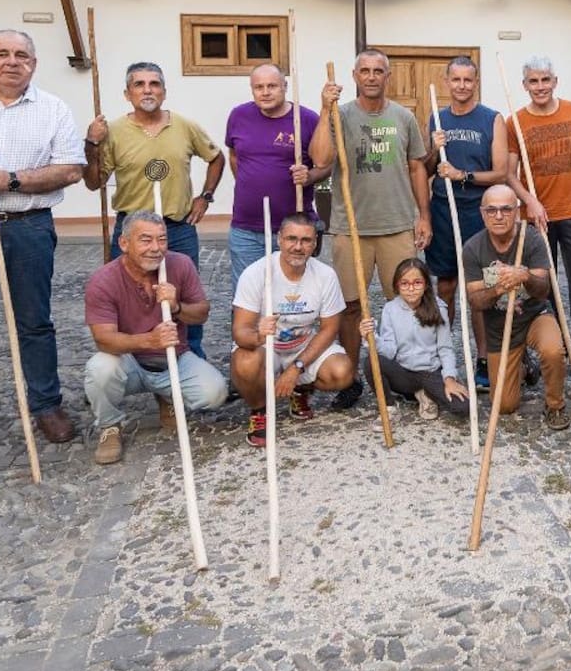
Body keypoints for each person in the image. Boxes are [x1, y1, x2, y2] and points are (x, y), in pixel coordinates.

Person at [0, 29, 84, 448]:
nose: (11, 62)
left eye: (21, 55)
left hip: (29, 227)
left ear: (33, 62)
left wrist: (9, 180)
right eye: (1, 54)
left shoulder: (53, 108)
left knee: (34, 323)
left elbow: (70, 169)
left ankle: (47, 405)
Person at [308, 48, 431, 409]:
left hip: (396, 225)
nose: (373, 76)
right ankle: (350, 377)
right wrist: (323, 108)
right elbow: (319, 159)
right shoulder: (341, 115)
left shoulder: (403, 117)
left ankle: (404, 373)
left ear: (388, 76)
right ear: (355, 75)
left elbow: (416, 168)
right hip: (352, 228)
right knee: (349, 306)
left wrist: (423, 215)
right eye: (366, 70)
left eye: (379, 70)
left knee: (405, 302)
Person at [84, 61, 225, 359]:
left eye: (154, 84)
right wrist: (91, 144)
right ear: (127, 93)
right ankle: (122, 363)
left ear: (164, 91)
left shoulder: (185, 126)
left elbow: (216, 157)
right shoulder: (114, 131)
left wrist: (205, 197)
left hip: (177, 227)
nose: (147, 90)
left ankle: (190, 357)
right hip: (131, 230)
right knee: (124, 293)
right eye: (139, 84)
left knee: (186, 296)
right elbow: (94, 182)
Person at [84, 210, 228, 465]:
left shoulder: (180, 264)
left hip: (173, 357)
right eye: (146, 240)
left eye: (162, 239)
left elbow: (202, 314)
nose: (155, 248)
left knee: (214, 393)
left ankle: (165, 395)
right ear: (124, 243)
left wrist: (176, 307)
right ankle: (109, 426)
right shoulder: (103, 279)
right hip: (128, 360)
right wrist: (149, 341)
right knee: (100, 368)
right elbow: (103, 340)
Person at [507, 55, 571, 383]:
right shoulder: (515, 122)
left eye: (545, 80)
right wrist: (530, 201)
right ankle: (555, 354)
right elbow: (509, 174)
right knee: (541, 287)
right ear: (525, 85)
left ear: (555, 81)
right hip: (538, 218)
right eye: (533, 81)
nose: (540, 86)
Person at [230, 213, 354, 447]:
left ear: (315, 243)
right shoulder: (256, 273)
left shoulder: (325, 276)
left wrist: (296, 368)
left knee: (342, 371)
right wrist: (258, 334)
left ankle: (300, 390)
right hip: (266, 347)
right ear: (279, 239)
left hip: (301, 346)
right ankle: (259, 411)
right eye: (291, 239)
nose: (298, 247)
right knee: (245, 362)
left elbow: (329, 329)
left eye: (306, 240)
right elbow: (240, 332)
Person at [425, 55, 508, 391]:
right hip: (444, 210)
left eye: (468, 80)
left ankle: (484, 359)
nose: (461, 85)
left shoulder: (492, 119)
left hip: (480, 213)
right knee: (445, 288)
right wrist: (434, 148)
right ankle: (444, 358)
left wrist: (465, 175)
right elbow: (427, 167)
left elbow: (501, 172)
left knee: (480, 290)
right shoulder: (436, 117)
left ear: (476, 82)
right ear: (447, 82)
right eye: (455, 80)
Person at [463, 184, 568, 429]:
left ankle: (555, 406)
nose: (498, 216)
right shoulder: (473, 248)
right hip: (500, 328)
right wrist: (499, 287)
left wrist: (525, 276)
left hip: (534, 316)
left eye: (505, 209)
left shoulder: (531, 239)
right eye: (491, 210)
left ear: (516, 211)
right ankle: (524, 367)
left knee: (553, 350)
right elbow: (475, 302)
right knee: (505, 406)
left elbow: (543, 290)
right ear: (482, 213)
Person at [224, 63, 328, 288]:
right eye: (258, 87)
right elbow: (234, 157)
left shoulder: (307, 119)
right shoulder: (239, 115)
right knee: (246, 293)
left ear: (285, 86)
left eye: (272, 86)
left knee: (292, 293)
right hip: (246, 228)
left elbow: (326, 164)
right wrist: (252, 182)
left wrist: (309, 176)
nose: (265, 92)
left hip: (294, 229)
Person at [358, 258, 469, 420]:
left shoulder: (439, 308)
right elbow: (389, 351)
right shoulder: (391, 309)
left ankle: (426, 393)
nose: (411, 289)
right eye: (404, 284)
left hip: (430, 372)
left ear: (426, 285)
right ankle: (389, 405)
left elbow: (445, 349)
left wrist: (450, 379)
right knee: (370, 361)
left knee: (463, 407)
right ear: (397, 286)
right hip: (404, 372)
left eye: (417, 283)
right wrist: (371, 338)